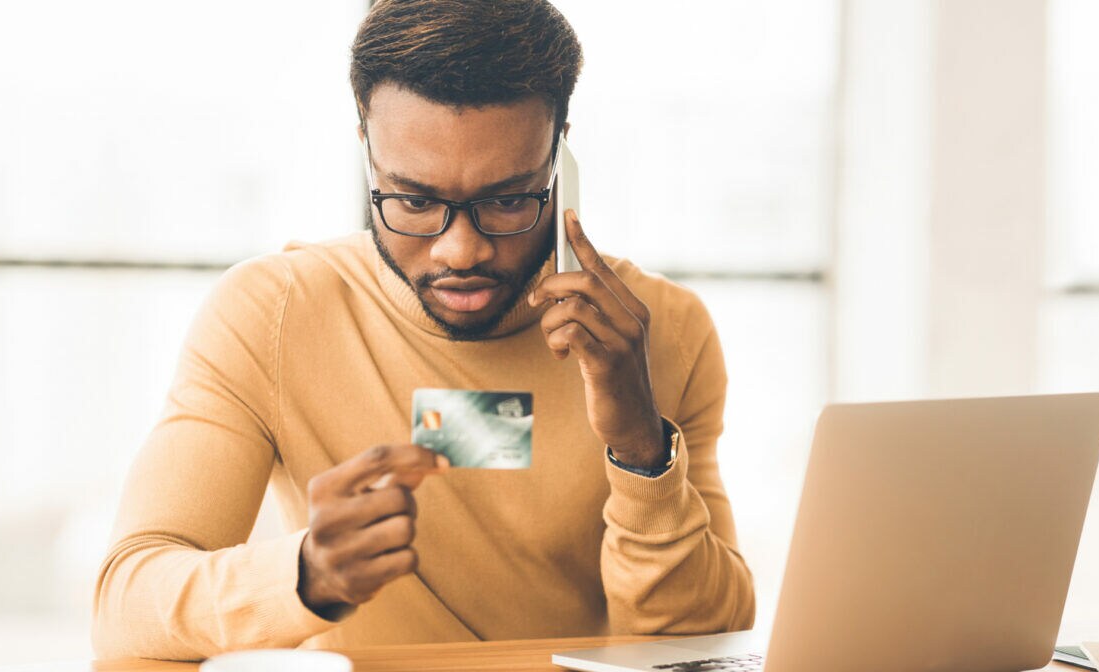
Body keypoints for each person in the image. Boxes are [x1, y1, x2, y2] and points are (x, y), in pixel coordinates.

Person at [92, 0, 754, 660]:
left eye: (507, 199)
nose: (460, 251)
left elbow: (706, 642)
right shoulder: (274, 314)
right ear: (366, 153)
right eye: (414, 200)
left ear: (560, 157)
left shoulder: (661, 332)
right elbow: (128, 604)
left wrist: (642, 450)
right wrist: (304, 576)